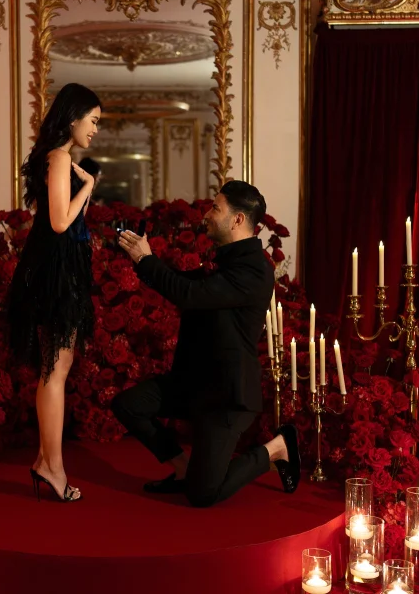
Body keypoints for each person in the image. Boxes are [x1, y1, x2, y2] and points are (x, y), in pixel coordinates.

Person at [113, 180, 301, 508]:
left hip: (227, 395)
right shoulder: (228, 261)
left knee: (203, 495)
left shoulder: (255, 270)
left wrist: (146, 261)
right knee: (128, 405)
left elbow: (192, 295)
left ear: (239, 219)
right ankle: (183, 469)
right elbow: (187, 285)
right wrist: (145, 259)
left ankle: (277, 448)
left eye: (216, 208)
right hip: (195, 383)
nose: (208, 214)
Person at [7, 83, 101, 502]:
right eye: (93, 121)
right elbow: (62, 223)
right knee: (55, 371)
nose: (96, 130)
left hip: (58, 272)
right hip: (55, 276)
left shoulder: (58, 158)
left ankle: (48, 462)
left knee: (55, 370)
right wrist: (89, 186)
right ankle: (52, 466)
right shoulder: (60, 157)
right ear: (73, 117)